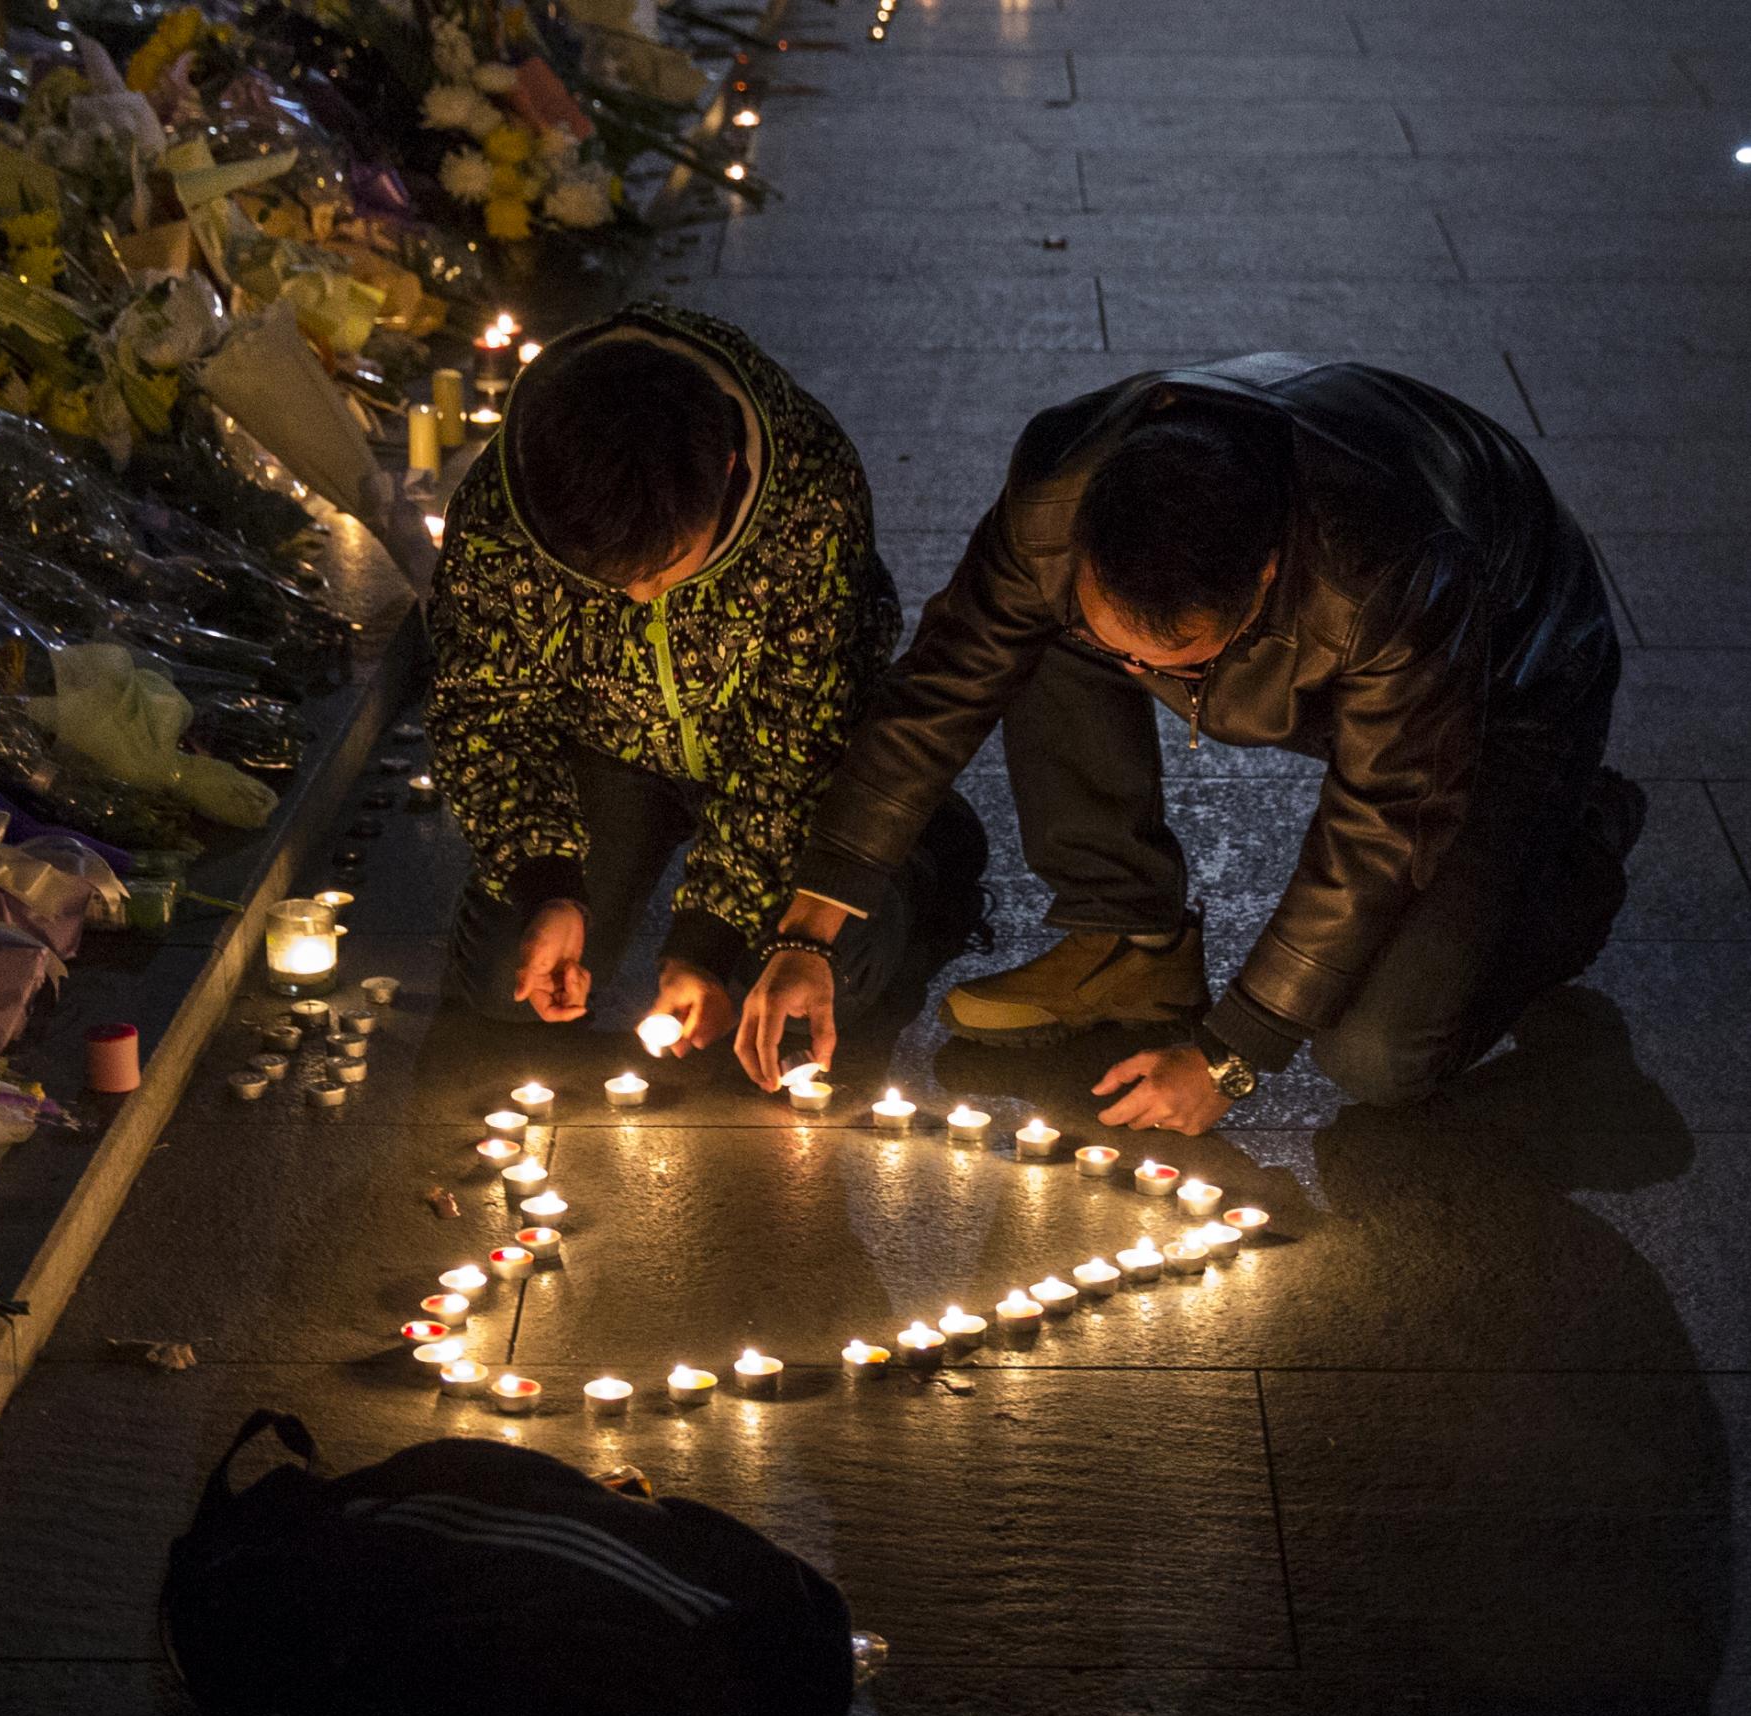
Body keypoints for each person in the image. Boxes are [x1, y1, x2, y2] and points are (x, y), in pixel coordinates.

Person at [737, 353, 1640, 1133]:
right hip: (1351, 657)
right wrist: (814, 927)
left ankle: (1574, 855)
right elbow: (940, 684)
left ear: (1264, 577)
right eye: (1117, 639)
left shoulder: (1389, 569)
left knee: (1378, 1058)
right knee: (1035, 633)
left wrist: (1231, 1054)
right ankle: (1128, 940)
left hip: (1510, 687)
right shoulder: (1061, 492)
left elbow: (1384, 820)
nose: (1133, 668)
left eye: (1166, 656)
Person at [429, 301, 984, 1049]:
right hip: (610, 750)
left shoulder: (808, 490)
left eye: (660, 571)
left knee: (820, 987)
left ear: (726, 473)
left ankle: (919, 849)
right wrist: (547, 882)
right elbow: (482, 711)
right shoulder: (505, 507)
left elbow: (796, 734)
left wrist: (706, 943)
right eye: (607, 579)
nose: (637, 596)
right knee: (508, 981)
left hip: (785, 758)